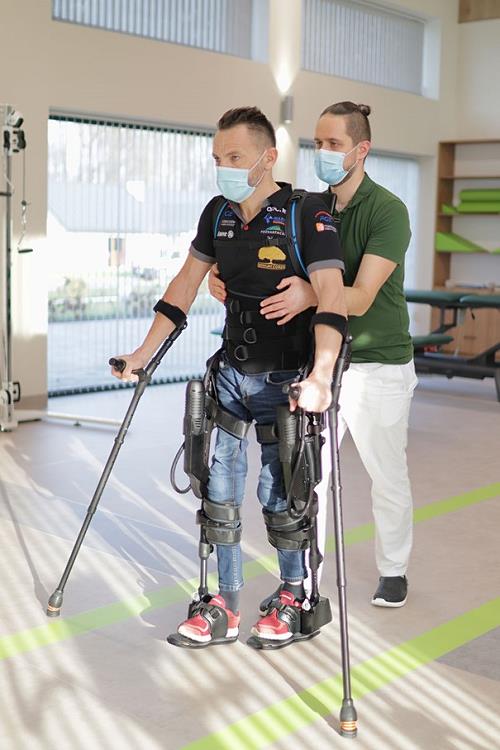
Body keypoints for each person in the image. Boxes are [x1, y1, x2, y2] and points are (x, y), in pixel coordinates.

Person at [112, 106, 347, 647]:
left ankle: (294, 595)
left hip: (287, 380)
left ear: (268, 158)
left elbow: (333, 298)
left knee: (282, 493)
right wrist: (142, 353)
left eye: (235, 156)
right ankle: (225, 605)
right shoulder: (217, 213)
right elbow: (184, 285)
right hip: (231, 375)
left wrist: (322, 375)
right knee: (217, 491)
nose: (224, 166)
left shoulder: (306, 213)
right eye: (218, 157)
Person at [209, 102, 418, 608]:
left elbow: (359, 297)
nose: (322, 152)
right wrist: (227, 279)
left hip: (377, 362)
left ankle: (393, 570)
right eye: (317, 143)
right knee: (307, 475)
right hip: (317, 360)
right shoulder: (309, 206)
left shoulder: (387, 211)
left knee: (386, 473)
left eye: (333, 144)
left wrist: (311, 294)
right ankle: (305, 578)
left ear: (361, 150)